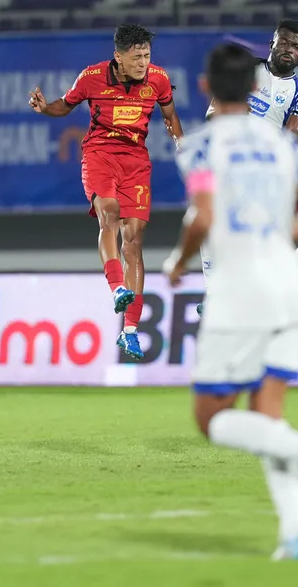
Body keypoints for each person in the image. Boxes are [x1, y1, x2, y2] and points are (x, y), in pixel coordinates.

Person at [163, 42, 298, 561]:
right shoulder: (284, 147)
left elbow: (201, 217)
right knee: (268, 419)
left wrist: (179, 263)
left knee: (210, 419)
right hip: (287, 291)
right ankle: (295, 534)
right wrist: (280, 236)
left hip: (237, 294)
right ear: (255, 89)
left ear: (204, 88)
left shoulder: (198, 147)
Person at [30, 24, 184, 360]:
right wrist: (45, 108)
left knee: (134, 238)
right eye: (136, 56)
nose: (143, 62)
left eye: (146, 55)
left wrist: (180, 143)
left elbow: (170, 116)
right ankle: (117, 289)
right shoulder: (92, 77)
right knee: (109, 215)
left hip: (137, 162)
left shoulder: (157, 80)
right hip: (99, 155)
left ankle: (130, 331)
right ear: (118, 57)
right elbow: (65, 105)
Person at [200, 19, 298, 361]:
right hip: (231, 167)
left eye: (295, 47)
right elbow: (214, 114)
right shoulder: (246, 75)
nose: (288, 50)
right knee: (205, 224)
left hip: (268, 175)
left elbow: (291, 133)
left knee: (289, 243)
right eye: (283, 43)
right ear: (272, 42)